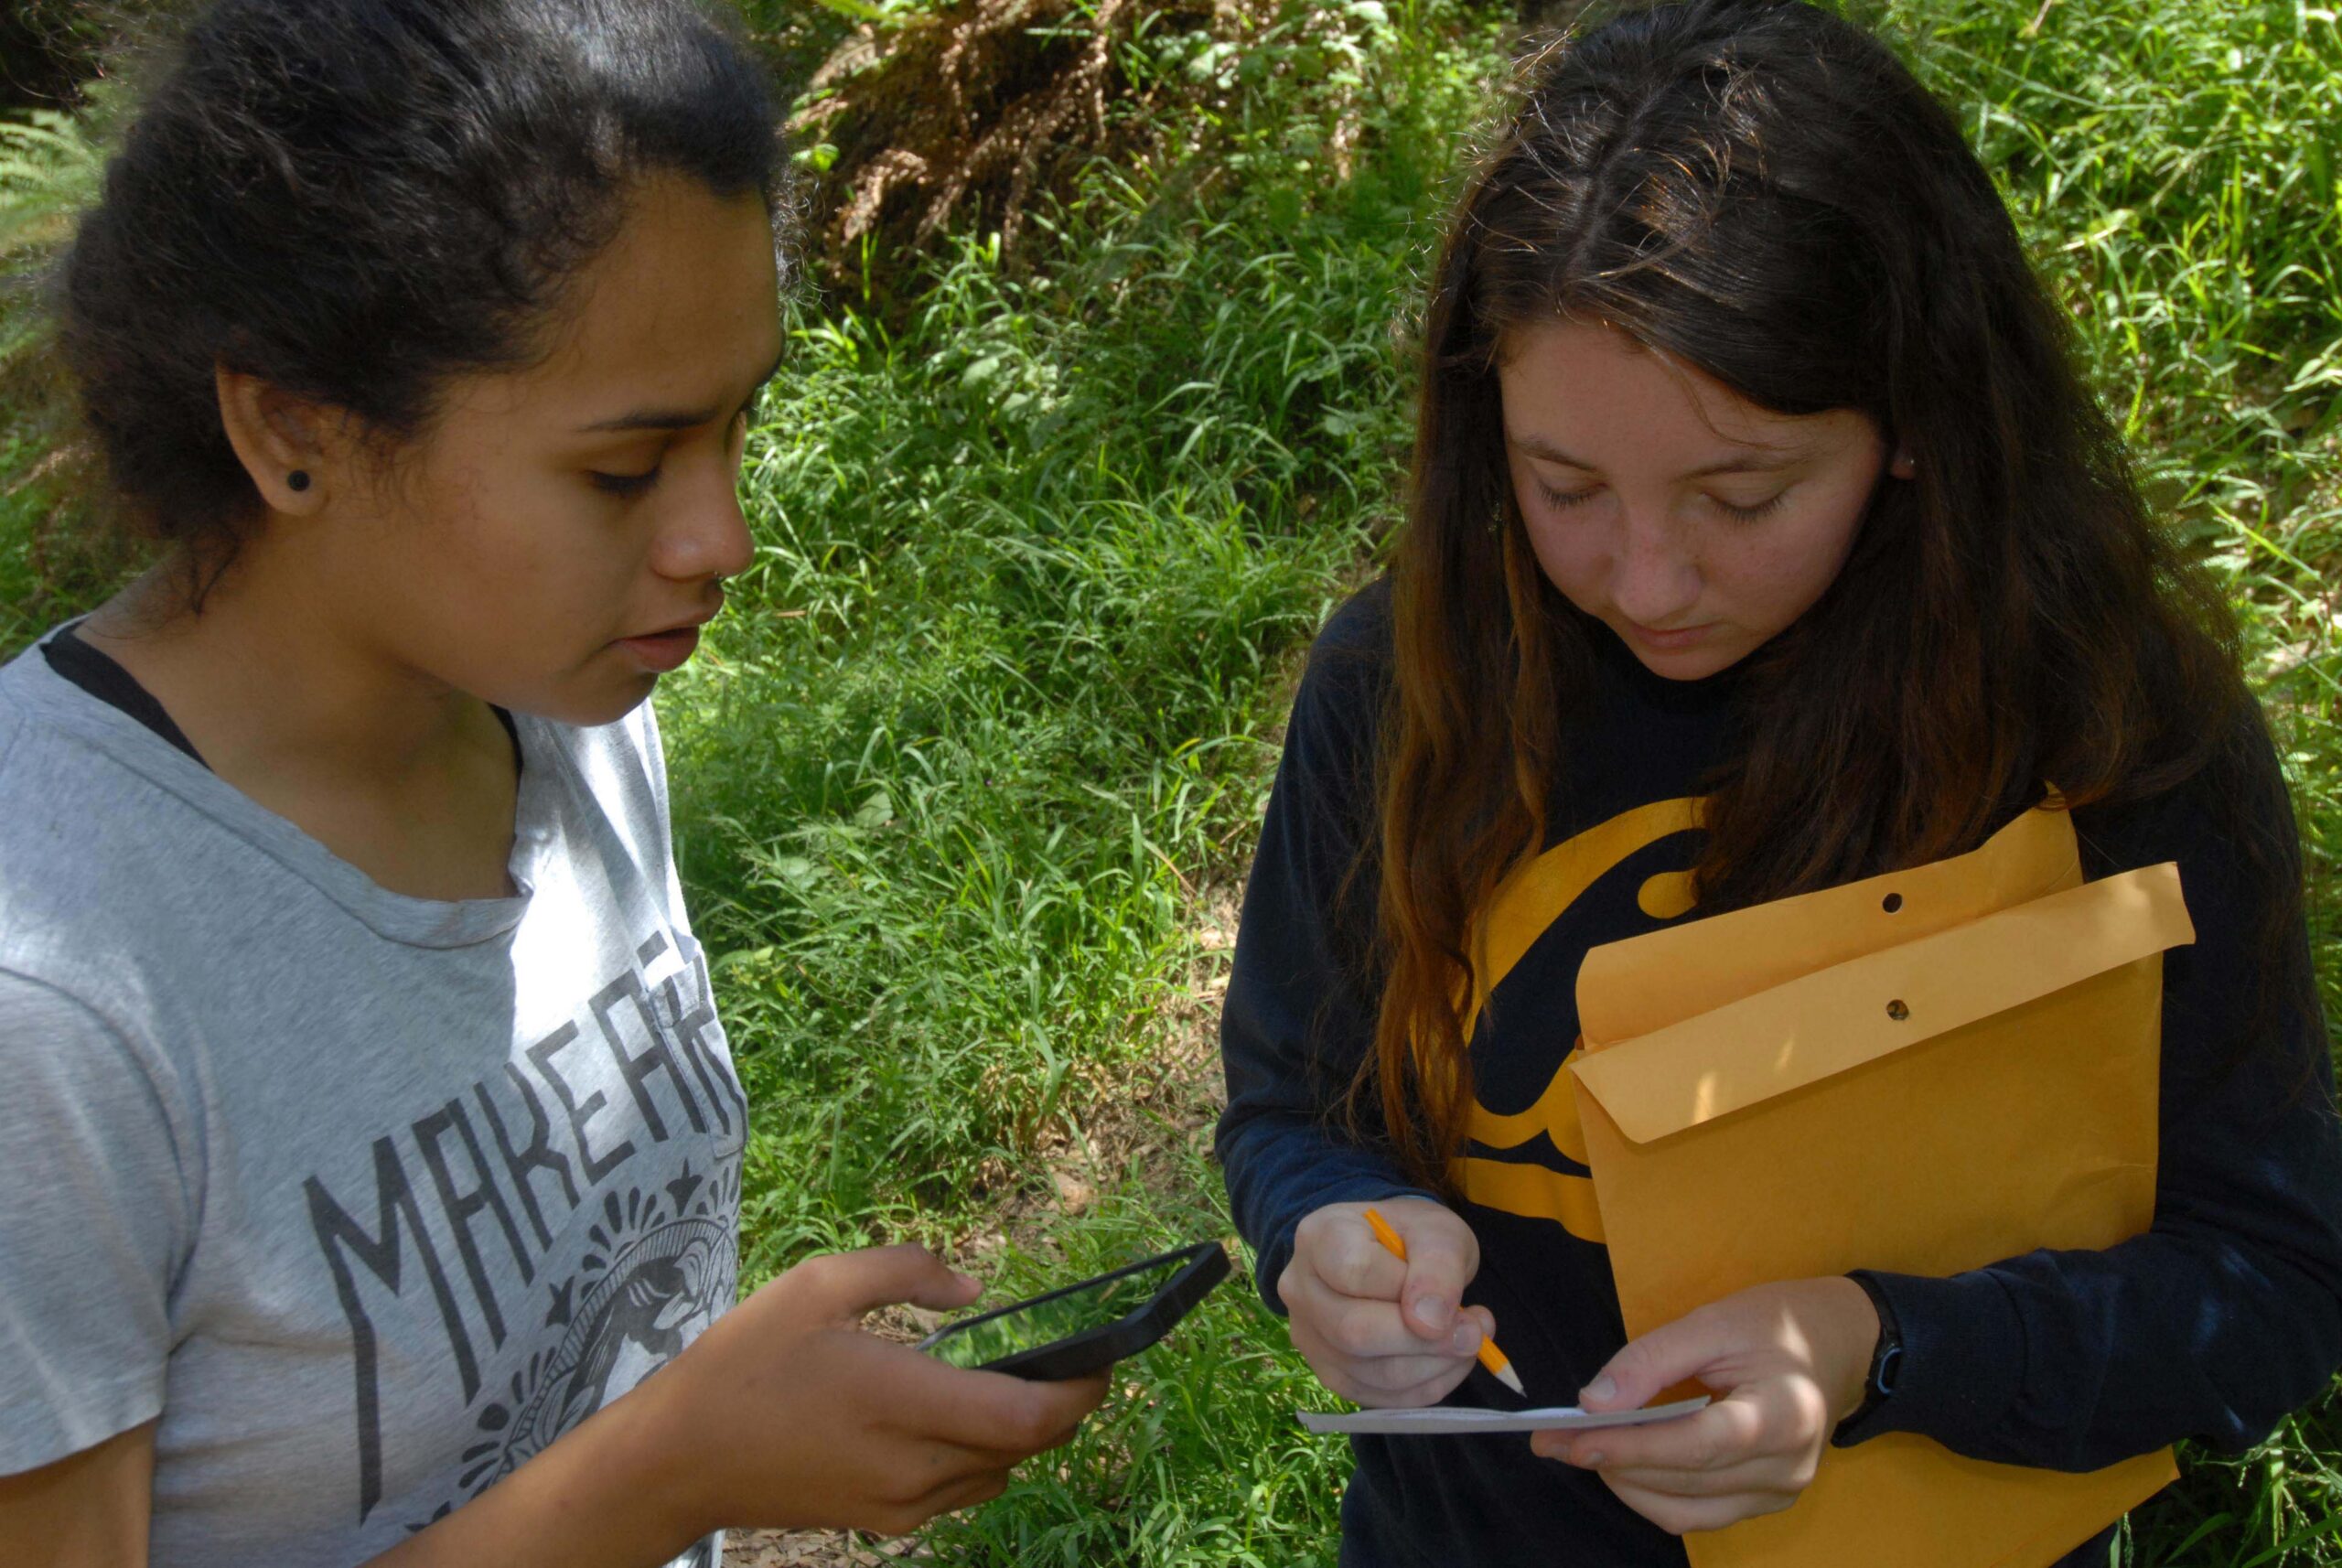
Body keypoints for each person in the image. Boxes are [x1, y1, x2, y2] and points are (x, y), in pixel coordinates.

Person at [1214, 1, 2342, 1563]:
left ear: (1915, 428)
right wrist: (1330, 1229)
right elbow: (1291, 1096)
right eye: (1565, 486)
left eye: (1742, 494)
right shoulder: (1407, 682)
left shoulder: (2105, 729)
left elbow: (2268, 1287)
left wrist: (1877, 1348)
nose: (1649, 576)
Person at [0, 2, 1105, 1563]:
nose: (720, 538)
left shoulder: (564, 712)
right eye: (622, 468)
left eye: (743, 426)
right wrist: (667, 1468)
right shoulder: (48, 1009)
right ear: (293, 427)